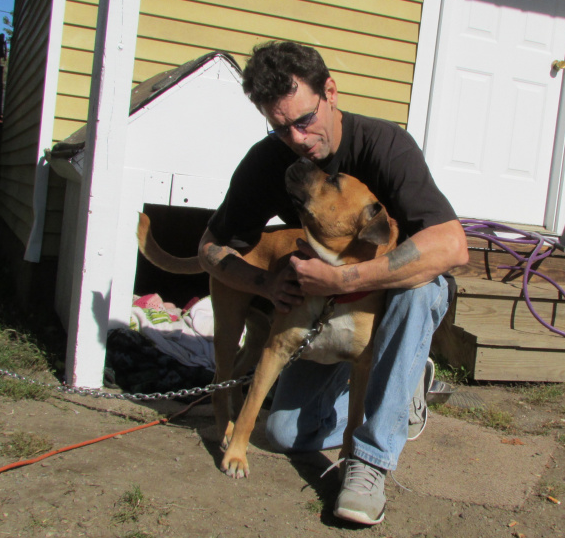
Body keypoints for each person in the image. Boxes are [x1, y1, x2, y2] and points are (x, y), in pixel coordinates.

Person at [198, 41, 468, 525]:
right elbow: (210, 249)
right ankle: (396, 385)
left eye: (304, 120)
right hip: (324, 313)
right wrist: (263, 284)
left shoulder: (386, 146)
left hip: (388, 300)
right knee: (282, 434)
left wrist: (341, 279)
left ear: (330, 92)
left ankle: (370, 461)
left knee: (421, 288)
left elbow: (453, 247)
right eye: (280, 128)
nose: (297, 139)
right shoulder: (269, 162)